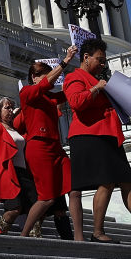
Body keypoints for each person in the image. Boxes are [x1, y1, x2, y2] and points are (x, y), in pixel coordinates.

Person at [64, 37, 131, 246]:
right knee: (107, 182)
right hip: (90, 135)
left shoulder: (98, 79)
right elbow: (76, 102)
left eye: (104, 61)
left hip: (109, 135)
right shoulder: (75, 77)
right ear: (85, 58)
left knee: (127, 182)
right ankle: (98, 231)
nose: (103, 65)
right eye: (100, 60)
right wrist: (97, 89)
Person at [17, 48, 83, 240]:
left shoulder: (49, 97)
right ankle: (24, 235)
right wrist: (65, 61)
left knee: (74, 189)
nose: (51, 79)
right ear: (34, 77)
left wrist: (83, 76)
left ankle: (79, 238)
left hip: (56, 147)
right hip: (39, 147)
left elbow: (68, 93)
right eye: (45, 76)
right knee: (47, 199)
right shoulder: (27, 93)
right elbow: (47, 84)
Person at [0, 97, 35, 234]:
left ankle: (31, 235)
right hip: (8, 172)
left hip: (24, 173)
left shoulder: (14, 128)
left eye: (11, 107)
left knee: (35, 206)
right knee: (15, 208)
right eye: (7, 108)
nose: (10, 111)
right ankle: (0, 232)